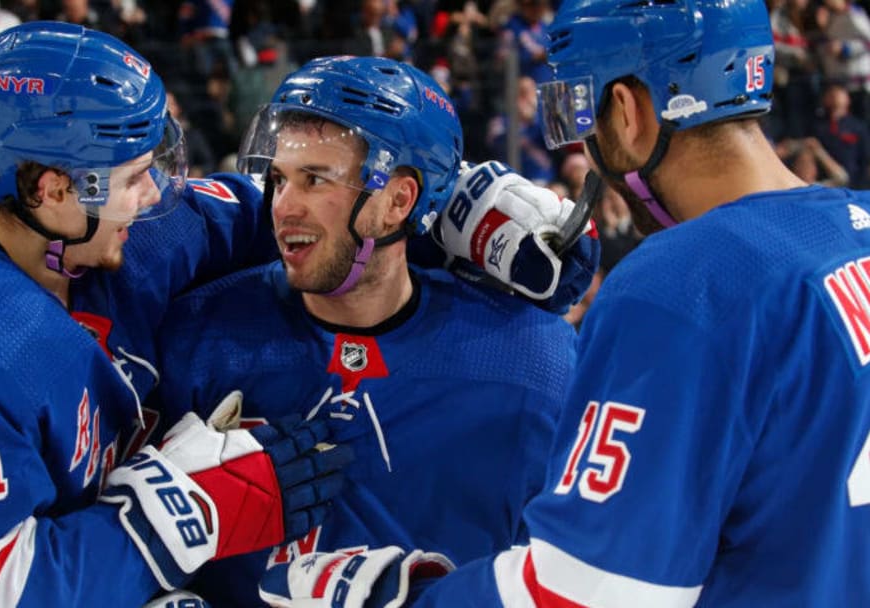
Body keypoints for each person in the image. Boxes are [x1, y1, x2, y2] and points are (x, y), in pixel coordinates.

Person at [264, 0, 870, 604]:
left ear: (628, 112)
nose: (588, 143)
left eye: (585, 114)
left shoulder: (682, 284)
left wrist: (403, 598)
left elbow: (591, 591)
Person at [0, 22, 353, 606]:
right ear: (52, 191)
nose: (154, 194)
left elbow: (280, 218)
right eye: (132, 177)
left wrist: (443, 211)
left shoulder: (121, 236)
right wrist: (187, 512)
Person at [154, 56, 584, 608]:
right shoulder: (199, 336)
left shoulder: (532, 359)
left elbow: (579, 569)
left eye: (316, 179)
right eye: (280, 178)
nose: (283, 206)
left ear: (399, 201)